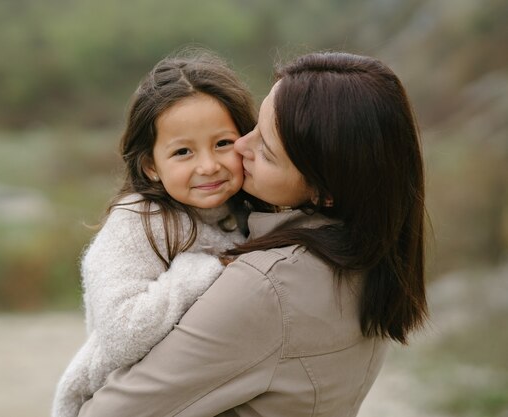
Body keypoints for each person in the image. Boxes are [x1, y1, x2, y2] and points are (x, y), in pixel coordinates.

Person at [77, 52, 429, 417]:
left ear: (324, 191)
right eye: (255, 128)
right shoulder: (368, 255)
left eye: (266, 149)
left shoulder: (267, 286)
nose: (241, 147)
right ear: (150, 165)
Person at [50, 50, 265, 417]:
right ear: (151, 165)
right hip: (125, 395)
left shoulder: (247, 211)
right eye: (183, 151)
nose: (208, 165)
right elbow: (121, 335)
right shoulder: (136, 222)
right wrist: (202, 270)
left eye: (222, 143)